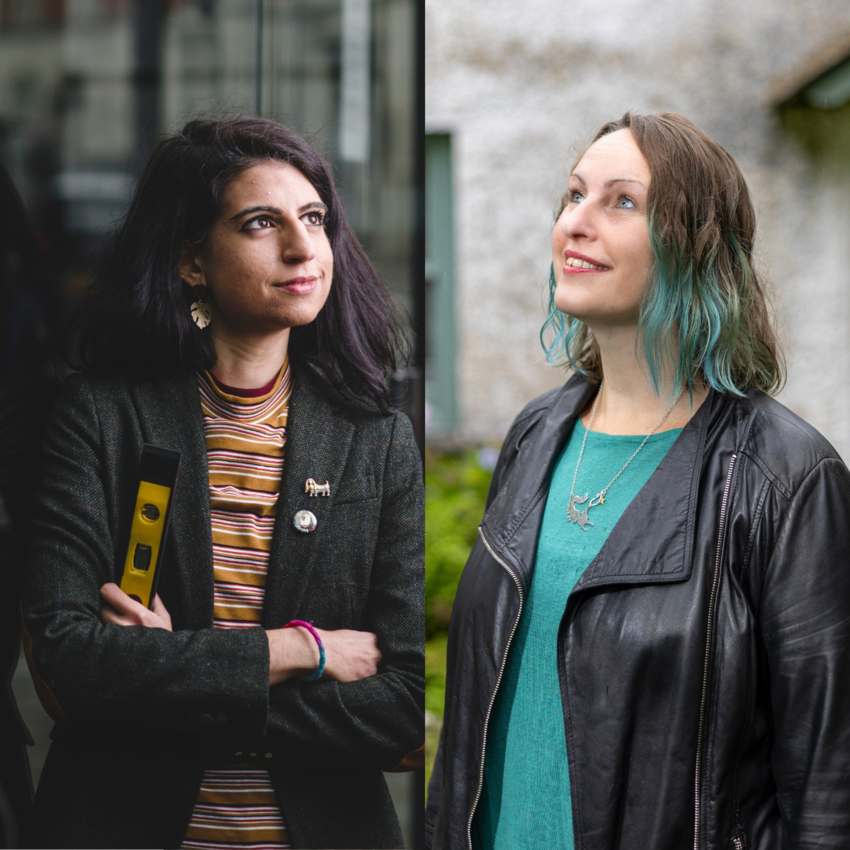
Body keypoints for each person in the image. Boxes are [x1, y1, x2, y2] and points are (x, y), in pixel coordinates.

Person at [424, 112, 850, 850]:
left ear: (695, 249)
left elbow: (827, 788)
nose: (575, 224)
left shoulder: (786, 476)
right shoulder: (534, 435)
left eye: (621, 202)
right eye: (573, 195)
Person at [21, 117, 423, 850]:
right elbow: (71, 664)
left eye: (314, 218)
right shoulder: (102, 416)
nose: (303, 247)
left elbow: (396, 706)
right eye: (260, 223)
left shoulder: (376, 440)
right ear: (191, 261)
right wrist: (301, 652)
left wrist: (173, 671)